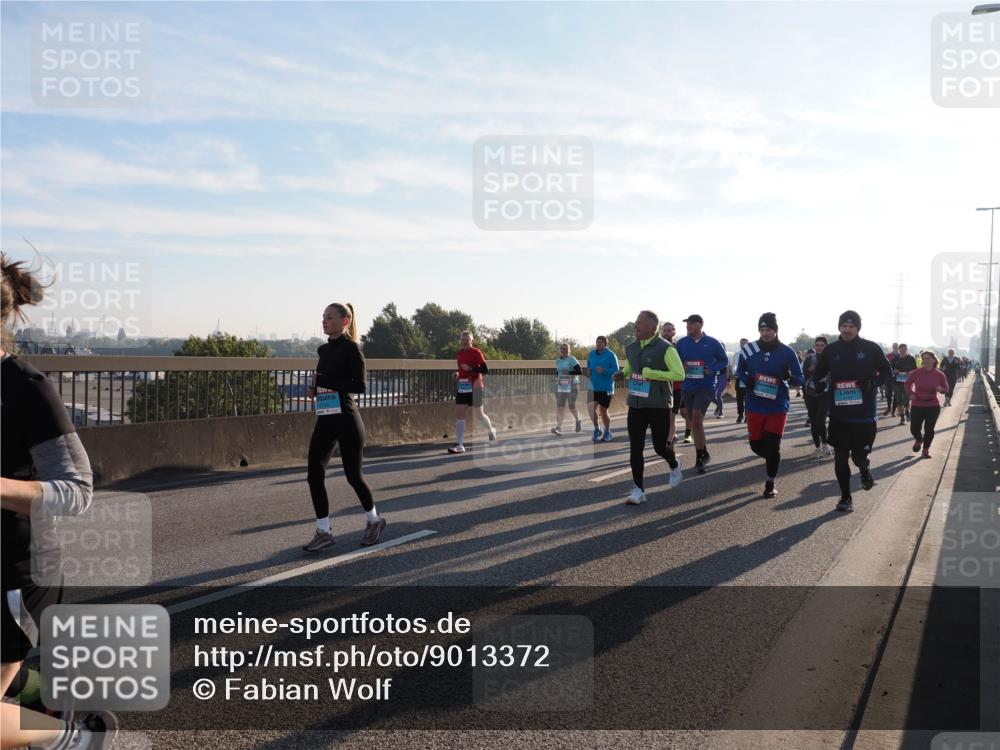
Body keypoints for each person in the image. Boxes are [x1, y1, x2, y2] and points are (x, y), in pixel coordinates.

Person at [1, 254, 117, 749]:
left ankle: (74, 738)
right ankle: (44, 695)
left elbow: (77, 491)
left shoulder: (25, 387)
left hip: (17, 576)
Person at [303, 302, 385, 551]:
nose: (324, 321)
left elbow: (359, 385)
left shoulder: (352, 349)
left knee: (353, 476)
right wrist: (315, 390)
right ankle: (324, 530)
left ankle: (374, 521)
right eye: (323, 317)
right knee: (314, 474)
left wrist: (326, 381)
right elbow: (327, 382)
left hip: (347, 419)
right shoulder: (323, 350)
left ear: (345, 321)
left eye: (329, 317)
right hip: (326, 417)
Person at [811, 310, 893, 513]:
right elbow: (819, 374)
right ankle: (845, 497)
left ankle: (864, 469)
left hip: (864, 416)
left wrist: (872, 383)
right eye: (843, 326)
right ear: (839, 327)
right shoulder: (831, 350)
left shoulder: (871, 348)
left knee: (858, 458)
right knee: (840, 457)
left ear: (858, 328)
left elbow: (887, 372)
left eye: (851, 327)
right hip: (839, 415)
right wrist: (817, 385)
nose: (847, 330)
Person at [736, 313, 804, 498]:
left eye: (769, 330)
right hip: (755, 404)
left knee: (773, 446)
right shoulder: (749, 349)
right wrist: (746, 380)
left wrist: (789, 376)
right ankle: (774, 461)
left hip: (778, 405)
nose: (765, 333)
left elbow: (800, 378)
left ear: (776, 330)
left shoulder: (787, 352)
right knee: (756, 445)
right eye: (762, 329)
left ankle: (770, 482)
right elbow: (739, 370)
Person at [623, 310, 685, 505]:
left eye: (639, 323)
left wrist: (653, 373)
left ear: (651, 326)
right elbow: (629, 369)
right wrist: (621, 374)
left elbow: (679, 374)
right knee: (635, 448)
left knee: (660, 446)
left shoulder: (666, 348)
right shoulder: (632, 348)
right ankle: (638, 490)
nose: (636, 326)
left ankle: (674, 464)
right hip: (636, 404)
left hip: (658, 405)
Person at [675, 314, 729, 474]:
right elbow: (675, 361)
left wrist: (711, 369)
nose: (688, 326)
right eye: (687, 324)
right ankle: (703, 452)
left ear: (700, 325)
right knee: (694, 422)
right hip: (688, 386)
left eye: (691, 323)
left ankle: (699, 457)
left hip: (706, 386)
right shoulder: (682, 343)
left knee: (697, 417)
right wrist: (681, 368)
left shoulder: (712, 343)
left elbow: (724, 361)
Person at [447, 331, 497, 454]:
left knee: (479, 415)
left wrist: (471, 369)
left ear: (471, 340)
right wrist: (458, 374)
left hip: (475, 386)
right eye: (463, 339)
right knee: (460, 414)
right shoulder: (459, 353)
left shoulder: (476, 352)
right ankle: (459, 444)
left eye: (467, 339)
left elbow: (485, 369)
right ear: (460, 340)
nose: (465, 341)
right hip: (463, 385)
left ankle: (491, 430)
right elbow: (462, 369)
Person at [905, 351, 949, 459]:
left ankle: (925, 450)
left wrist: (941, 389)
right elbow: (907, 384)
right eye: (923, 358)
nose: (925, 361)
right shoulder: (916, 373)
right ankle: (919, 439)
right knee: (914, 428)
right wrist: (911, 393)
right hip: (917, 404)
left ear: (934, 360)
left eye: (928, 358)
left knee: (929, 429)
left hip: (932, 406)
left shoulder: (939, 375)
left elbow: (946, 389)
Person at [802, 337, 833, 458]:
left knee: (820, 420)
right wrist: (809, 371)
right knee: (813, 421)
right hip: (811, 394)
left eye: (822, 345)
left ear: (826, 346)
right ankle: (817, 447)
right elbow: (803, 375)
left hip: (825, 394)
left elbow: (836, 374)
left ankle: (825, 444)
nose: (819, 347)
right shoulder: (810, 359)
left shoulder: (830, 359)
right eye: (817, 345)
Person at [586, 336, 619, 442]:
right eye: (597, 342)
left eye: (601, 342)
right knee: (590, 408)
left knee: (603, 411)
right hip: (593, 386)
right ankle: (597, 428)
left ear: (605, 344)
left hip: (606, 387)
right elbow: (589, 364)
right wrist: (588, 370)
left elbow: (616, 370)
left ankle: (607, 431)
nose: (599, 344)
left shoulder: (611, 355)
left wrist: (604, 370)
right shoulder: (591, 354)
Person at [661, 322, 687, 444]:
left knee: (671, 417)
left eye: (669, 330)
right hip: (661, 386)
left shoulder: (678, 347)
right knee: (662, 418)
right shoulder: (658, 347)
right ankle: (673, 436)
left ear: (674, 332)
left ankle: (669, 444)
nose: (666, 333)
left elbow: (684, 365)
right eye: (664, 330)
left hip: (676, 387)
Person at [551, 343, 583, 436]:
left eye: (566, 349)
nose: (564, 350)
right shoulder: (558, 360)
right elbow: (558, 371)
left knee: (571, 406)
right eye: (562, 349)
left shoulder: (572, 359)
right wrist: (555, 378)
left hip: (572, 385)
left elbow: (579, 371)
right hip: (562, 385)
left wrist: (569, 372)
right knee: (560, 407)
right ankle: (559, 428)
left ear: (569, 350)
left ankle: (578, 421)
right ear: (560, 350)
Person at [891, 344, 917, 425]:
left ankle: (907, 411)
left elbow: (915, 370)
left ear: (907, 350)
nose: (903, 350)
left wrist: (910, 372)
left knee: (906, 400)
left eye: (905, 349)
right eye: (901, 349)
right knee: (899, 401)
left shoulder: (911, 359)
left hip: (907, 382)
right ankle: (902, 418)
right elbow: (890, 370)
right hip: (897, 382)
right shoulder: (895, 359)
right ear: (899, 350)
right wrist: (894, 371)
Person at [731, 338, 749, 423]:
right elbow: (734, 366)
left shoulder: (751, 354)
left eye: (745, 343)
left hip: (748, 379)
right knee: (739, 398)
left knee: (748, 398)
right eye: (742, 343)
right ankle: (740, 415)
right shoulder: (736, 354)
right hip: (739, 379)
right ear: (740, 344)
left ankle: (747, 415)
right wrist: (735, 373)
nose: (743, 345)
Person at [882, 342, 900, 416]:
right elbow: (884, 366)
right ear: (893, 347)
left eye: (896, 346)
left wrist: (898, 370)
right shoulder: (889, 356)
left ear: (898, 347)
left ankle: (893, 411)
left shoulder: (901, 356)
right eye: (894, 346)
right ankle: (889, 407)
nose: (895, 347)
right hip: (890, 378)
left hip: (898, 378)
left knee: (896, 395)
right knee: (889, 394)